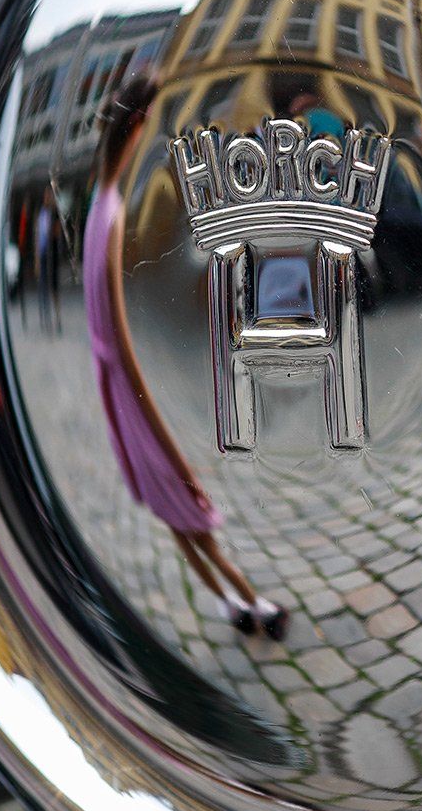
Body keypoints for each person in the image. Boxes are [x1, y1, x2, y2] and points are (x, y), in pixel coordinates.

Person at [84, 78, 287, 640]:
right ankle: (257, 607)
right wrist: (176, 454)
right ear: (141, 123)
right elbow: (122, 348)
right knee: (192, 515)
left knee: (175, 520)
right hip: (124, 395)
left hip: (112, 398)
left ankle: (231, 605)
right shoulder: (114, 212)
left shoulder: (98, 208)